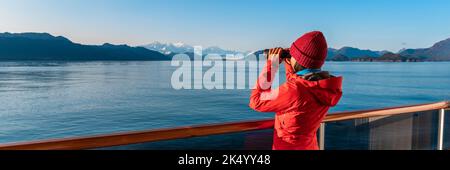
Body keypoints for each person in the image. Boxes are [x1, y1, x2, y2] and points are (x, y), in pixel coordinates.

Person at [249, 31, 343, 150]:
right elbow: (296, 83)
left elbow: (256, 101)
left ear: (298, 60)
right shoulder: (323, 85)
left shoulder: (296, 90)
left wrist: (271, 66)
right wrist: (291, 59)